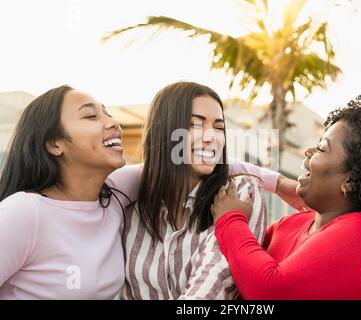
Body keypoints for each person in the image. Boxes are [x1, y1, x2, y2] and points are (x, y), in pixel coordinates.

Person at [212, 93, 361, 300]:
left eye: (322, 148)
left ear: (351, 181)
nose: (309, 152)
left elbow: (271, 292)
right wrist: (279, 182)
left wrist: (231, 219)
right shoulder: (289, 225)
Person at [107, 81, 301, 299]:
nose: (212, 137)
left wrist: (278, 181)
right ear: (165, 133)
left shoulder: (240, 193)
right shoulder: (131, 207)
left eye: (219, 127)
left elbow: (209, 290)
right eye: (195, 125)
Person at [0, 85, 130, 299]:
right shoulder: (23, 212)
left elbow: (174, 169)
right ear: (54, 144)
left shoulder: (116, 193)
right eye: (90, 116)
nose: (113, 122)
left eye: (107, 113)